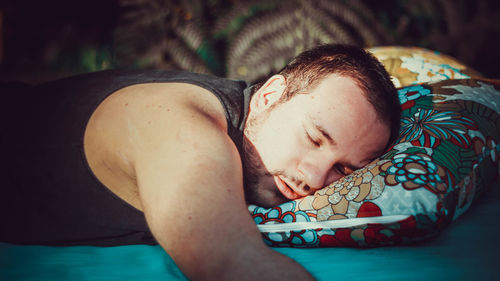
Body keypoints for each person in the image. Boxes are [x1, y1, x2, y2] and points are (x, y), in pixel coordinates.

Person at [1, 44, 400, 280]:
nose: (315, 177)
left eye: (344, 170)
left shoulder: (246, 120)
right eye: (314, 138)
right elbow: (229, 262)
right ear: (270, 95)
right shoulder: (185, 131)